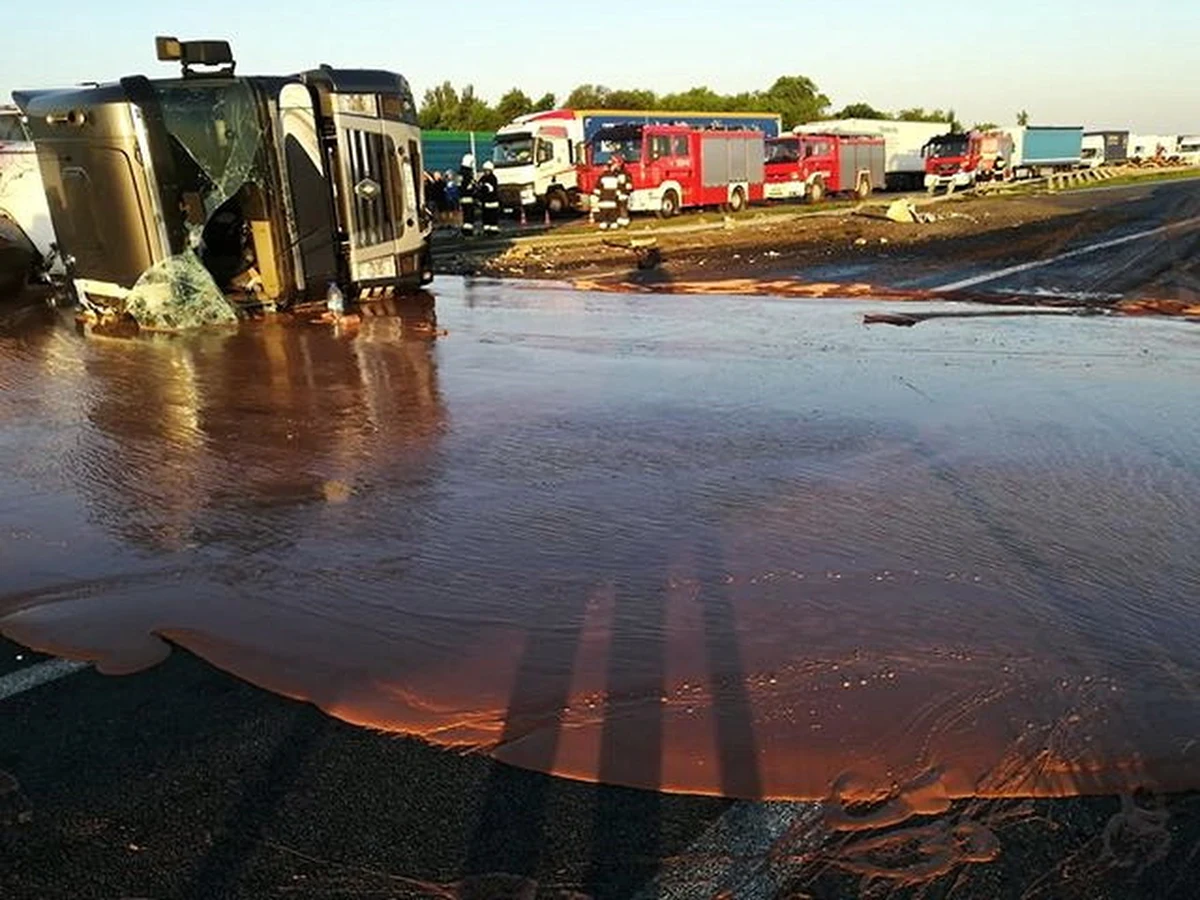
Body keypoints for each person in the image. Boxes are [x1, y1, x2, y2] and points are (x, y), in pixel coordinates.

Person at [592, 154, 632, 230]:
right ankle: (614, 223)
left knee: (621, 209)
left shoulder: (624, 173)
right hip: (612, 197)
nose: (615, 166)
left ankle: (621, 223)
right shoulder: (614, 175)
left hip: (617, 196)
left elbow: (627, 184)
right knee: (613, 210)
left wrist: (624, 193)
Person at [477, 160, 501, 236]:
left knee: (493, 217)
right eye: (485, 170)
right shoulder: (483, 178)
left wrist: (482, 188)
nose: (486, 172)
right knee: (486, 218)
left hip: (492, 202)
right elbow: (479, 187)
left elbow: (489, 189)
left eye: (487, 170)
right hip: (486, 203)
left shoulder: (493, 179)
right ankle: (487, 231)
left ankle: (493, 231)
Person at [458, 153, 477, 237]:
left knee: (466, 214)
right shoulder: (468, 173)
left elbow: (459, 186)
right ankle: (469, 231)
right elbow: (470, 186)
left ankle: (466, 230)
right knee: (469, 214)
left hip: (462, 197)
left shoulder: (460, 173)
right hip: (468, 197)